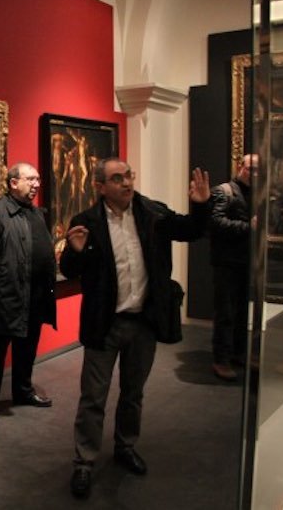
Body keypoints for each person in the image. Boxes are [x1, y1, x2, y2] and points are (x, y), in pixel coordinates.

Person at [60, 158, 209, 498]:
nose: (126, 183)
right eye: (117, 178)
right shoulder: (87, 222)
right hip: (105, 324)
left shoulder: (152, 213)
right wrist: (76, 252)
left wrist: (201, 206)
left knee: (133, 393)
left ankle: (125, 446)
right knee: (93, 397)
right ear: (100, 187)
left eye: (128, 176)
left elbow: (191, 230)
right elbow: (69, 270)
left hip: (143, 322)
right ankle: (84, 462)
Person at [0, 162, 57, 423]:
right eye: (30, 179)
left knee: (27, 348)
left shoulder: (37, 214)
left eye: (38, 179)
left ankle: (23, 390)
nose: (36, 184)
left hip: (35, 298)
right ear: (13, 183)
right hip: (3, 298)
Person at [209, 154, 258, 381]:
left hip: (245, 261)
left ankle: (238, 353)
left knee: (241, 312)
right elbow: (215, 223)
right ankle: (221, 359)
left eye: (258, 170)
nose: (254, 174)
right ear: (241, 167)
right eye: (251, 169)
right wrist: (248, 227)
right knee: (226, 313)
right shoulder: (224, 191)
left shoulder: (256, 194)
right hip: (226, 262)